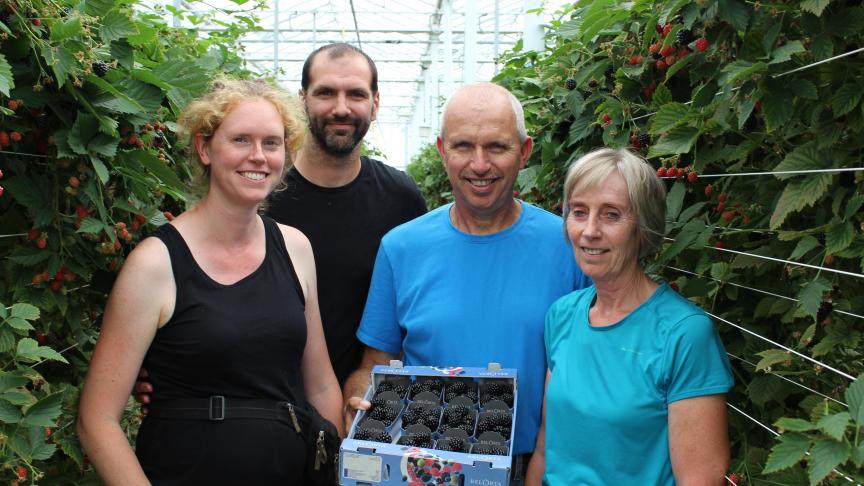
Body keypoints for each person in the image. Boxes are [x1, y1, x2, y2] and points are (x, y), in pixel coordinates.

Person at [77, 79, 343, 484]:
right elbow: (97, 420)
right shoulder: (156, 263)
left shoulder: (295, 249)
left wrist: (340, 467)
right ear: (205, 148)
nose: (258, 156)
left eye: (272, 143)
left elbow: (321, 384)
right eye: (240, 140)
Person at [343, 82, 591, 482]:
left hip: (539, 465)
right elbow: (373, 364)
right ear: (443, 151)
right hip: (426, 462)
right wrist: (358, 400)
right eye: (463, 147)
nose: (479, 164)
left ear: (524, 152)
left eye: (496, 146)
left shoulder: (566, 246)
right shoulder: (402, 248)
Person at [525, 148, 733, 485]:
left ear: (643, 227)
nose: (589, 230)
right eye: (579, 212)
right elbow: (546, 450)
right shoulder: (562, 315)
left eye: (611, 215)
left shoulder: (683, 335)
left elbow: (700, 480)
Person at [265, 43, 427, 385]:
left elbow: (415, 306)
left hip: (370, 405)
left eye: (355, 94)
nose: (341, 108)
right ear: (302, 100)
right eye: (325, 93)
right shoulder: (266, 198)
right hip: (275, 405)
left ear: (375, 103)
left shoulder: (401, 198)